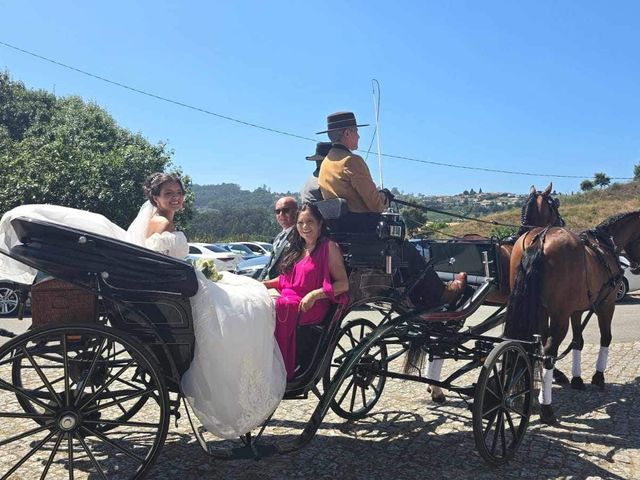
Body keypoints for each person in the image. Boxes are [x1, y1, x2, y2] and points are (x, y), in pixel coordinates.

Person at [0, 173, 287, 440]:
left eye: (178, 192)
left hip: (175, 286)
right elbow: (155, 263)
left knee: (244, 297)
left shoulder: (158, 221)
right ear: (155, 199)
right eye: (168, 193)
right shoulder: (162, 223)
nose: (175, 197)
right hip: (171, 291)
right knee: (250, 306)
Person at [317, 111, 466, 309]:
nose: (359, 137)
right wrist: (385, 197)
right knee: (408, 251)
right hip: (366, 233)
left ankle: (415, 295)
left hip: (343, 234)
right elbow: (375, 204)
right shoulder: (351, 161)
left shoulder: (326, 164)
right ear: (347, 134)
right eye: (356, 132)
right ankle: (441, 293)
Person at [263, 203, 349, 380]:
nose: (304, 227)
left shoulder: (328, 247)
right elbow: (286, 280)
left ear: (320, 224)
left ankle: (281, 369)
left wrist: (315, 294)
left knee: (277, 306)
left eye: (309, 222)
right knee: (259, 302)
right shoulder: (297, 249)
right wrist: (264, 284)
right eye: (300, 223)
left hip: (313, 304)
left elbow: (343, 284)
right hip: (290, 300)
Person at [259, 196, 298, 281]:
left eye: (286, 210)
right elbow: (269, 264)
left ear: (297, 211)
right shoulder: (278, 237)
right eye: (277, 211)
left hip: (281, 285)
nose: (281, 214)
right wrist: (260, 281)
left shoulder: (299, 237)